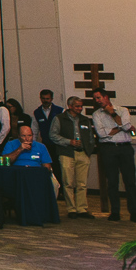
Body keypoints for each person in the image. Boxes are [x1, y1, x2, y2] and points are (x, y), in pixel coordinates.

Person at [92, 89, 136, 221]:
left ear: (106, 97)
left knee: (130, 181)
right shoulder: (97, 114)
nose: (97, 101)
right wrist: (121, 127)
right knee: (112, 181)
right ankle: (115, 212)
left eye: (99, 98)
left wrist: (113, 114)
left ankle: (134, 212)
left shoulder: (122, 110)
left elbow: (127, 126)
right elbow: (102, 134)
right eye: (95, 99)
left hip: (124, 148)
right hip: (108, 149)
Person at [50, 95, 97, 219]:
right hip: (66, 153)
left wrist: (88, 151)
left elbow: (91, 137)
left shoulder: (85, 120)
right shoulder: (59, 118)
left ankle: (82, 208)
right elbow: (53, 135)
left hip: (82, 153)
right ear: (70, 106)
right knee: (68, 182)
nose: (80, 108)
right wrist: (68, 142)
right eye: (77, 106)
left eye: (81, 106)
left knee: (82, 183)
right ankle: (71, 209)